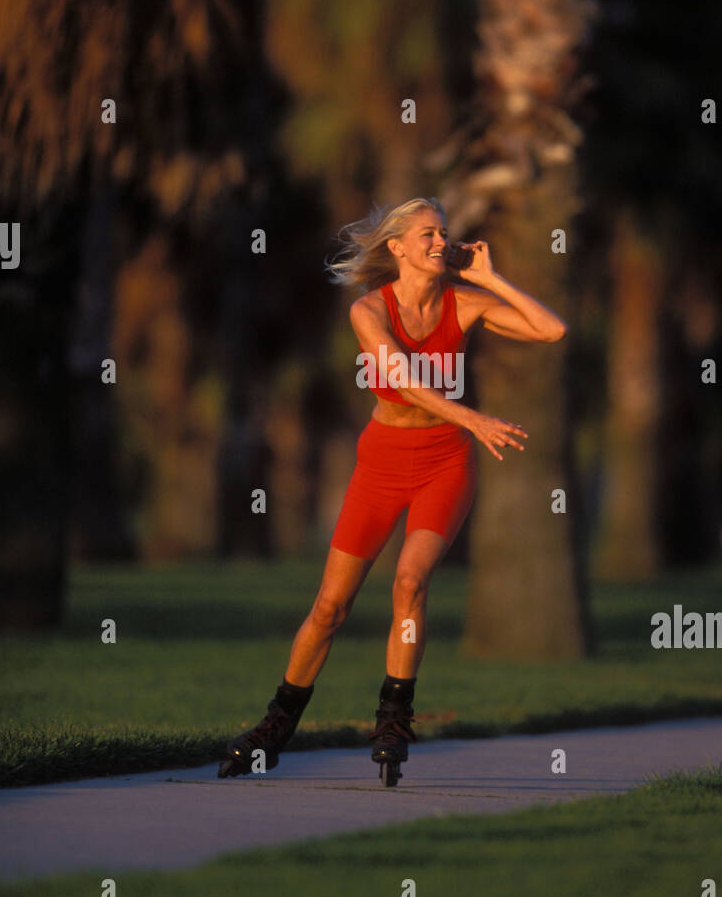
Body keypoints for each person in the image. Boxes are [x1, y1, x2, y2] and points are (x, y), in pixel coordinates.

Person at [218, 197, 566, 784]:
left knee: (411, 580)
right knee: (330, 607)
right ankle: (274, 727)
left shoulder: (466, 302)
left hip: (445, 464)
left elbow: (551, 329)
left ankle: (393, 719)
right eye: (428, 234)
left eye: (444, 233)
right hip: (380, 461)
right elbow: (401, 381)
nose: (439, 241)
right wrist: (474, 419)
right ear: (397, 248)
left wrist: (489, 276)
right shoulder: (368, 311)